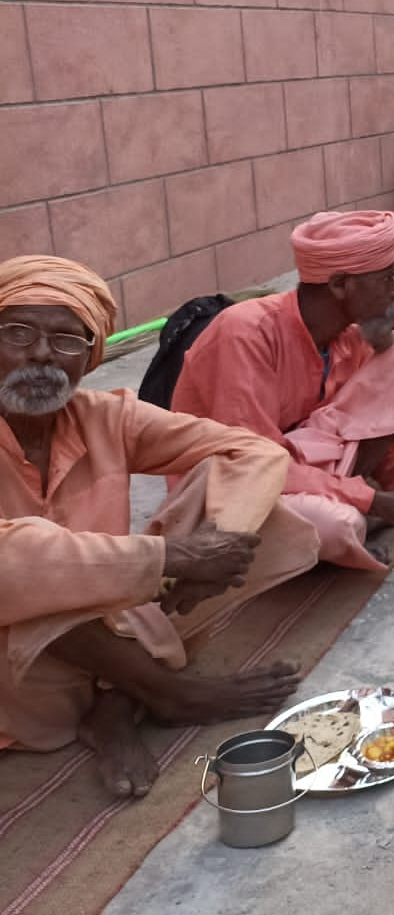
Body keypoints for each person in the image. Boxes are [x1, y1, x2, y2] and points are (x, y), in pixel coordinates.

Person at [0, 256, 318, 797]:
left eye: (66, 340)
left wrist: (216, 550)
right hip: (22, 670)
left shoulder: (106, 415)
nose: (41, 354)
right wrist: (170, 559)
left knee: (272, 518)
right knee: (37, 589)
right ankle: (168, 693)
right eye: (17, 332)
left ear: (91, 355)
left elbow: (252, 450)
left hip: (112, 614)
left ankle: (116, 701)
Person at [174, 212, 394, 571]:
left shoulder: (349, 335)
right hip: (238, 486)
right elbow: (251, 464)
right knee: (337, 526)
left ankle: (345, 507)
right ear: (339, 285)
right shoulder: (245, 333)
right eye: (386, 278)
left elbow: (374, 428)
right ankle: (346, 512)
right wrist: (372, 501)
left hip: (313, 461)